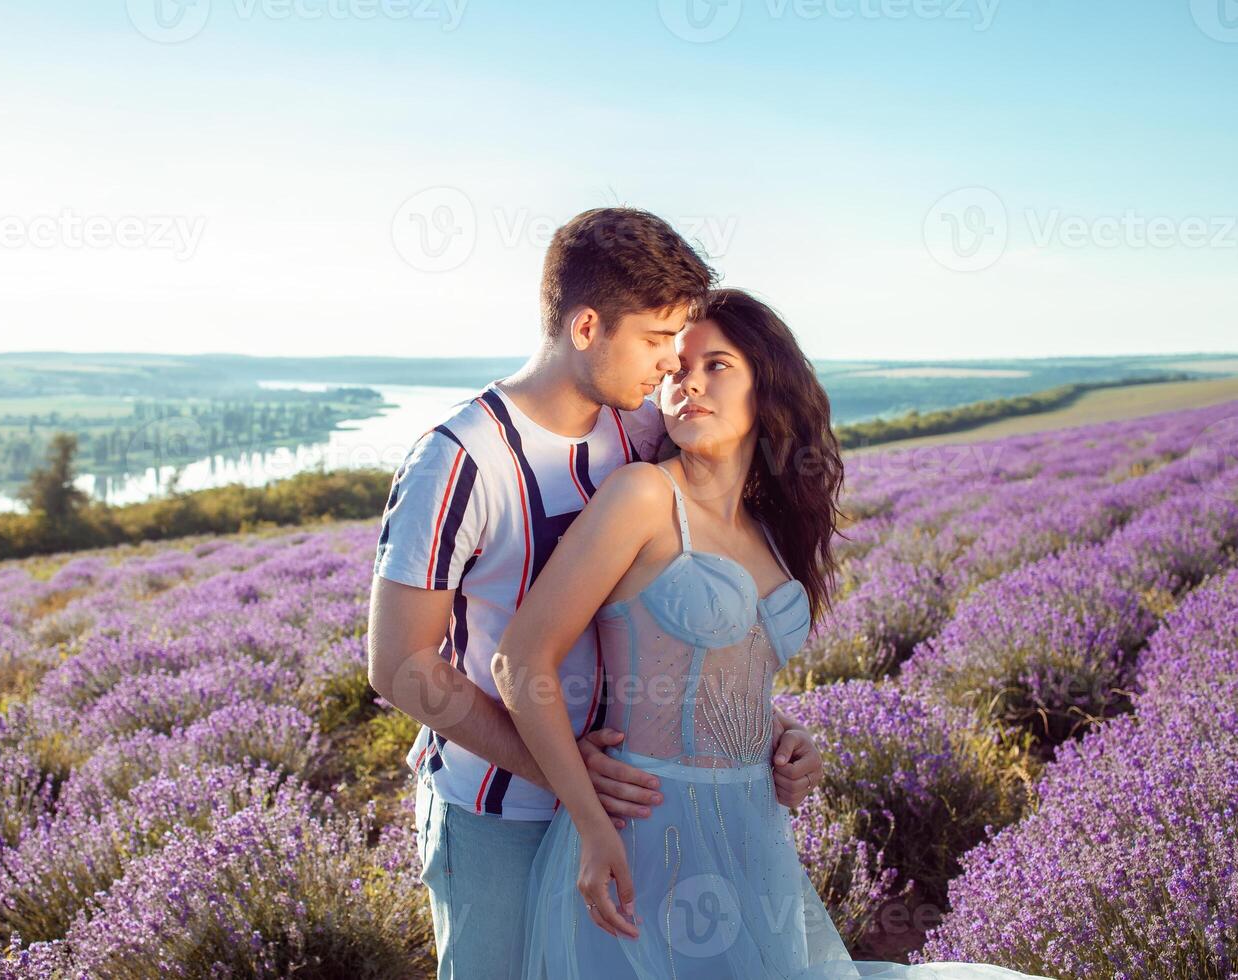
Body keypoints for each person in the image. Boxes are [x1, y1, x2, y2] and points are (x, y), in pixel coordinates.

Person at [492, 288, 1053, 979]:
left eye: (717, 365)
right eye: (673, 369)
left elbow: (723, 674)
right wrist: (588, 820)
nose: (687, 382)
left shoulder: (771, 531)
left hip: (754, 836)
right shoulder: (642, 496)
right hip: (645, 840)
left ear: (767, 387)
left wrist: (786, 740)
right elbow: (520, 659)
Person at [368, 209, 827, 980]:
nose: (669, 366)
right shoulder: (458, 461)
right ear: (587, 327)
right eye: (657, 343)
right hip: (500, 812)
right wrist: (571, 781)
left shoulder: (641, 434)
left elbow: (669, 616)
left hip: (636, 806)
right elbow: (400, 667)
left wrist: (758, 729)